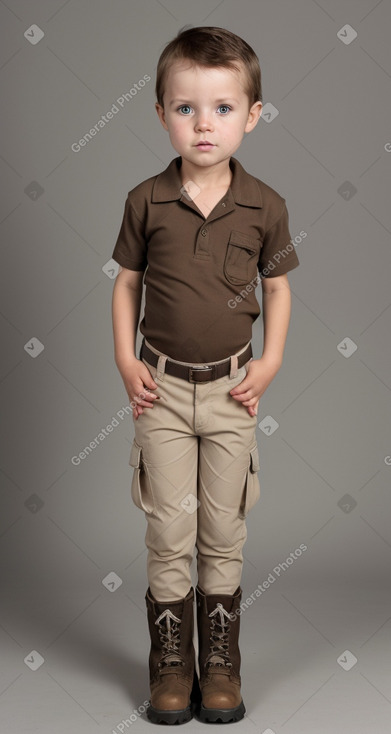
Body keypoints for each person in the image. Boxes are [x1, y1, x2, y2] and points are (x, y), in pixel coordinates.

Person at [111, 26, 300, 725]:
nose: (203, 124)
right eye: (185, 107)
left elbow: (276, 289)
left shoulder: (265, 205)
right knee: (168, 532)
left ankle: (219, 663)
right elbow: (126, 285)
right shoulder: (145, 201)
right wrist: (127, 360)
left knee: (223, 530)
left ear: (252, 115)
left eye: (222, 107)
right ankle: (169, 666)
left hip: (231, 392)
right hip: (158, 392)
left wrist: (270, 362)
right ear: (160, 112)